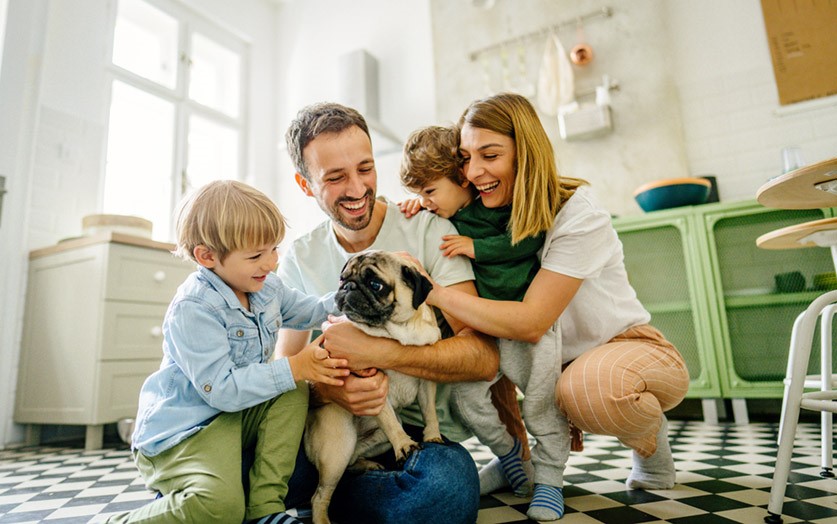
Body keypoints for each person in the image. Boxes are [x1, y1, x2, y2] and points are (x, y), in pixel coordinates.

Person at [417, 93, 691, 522]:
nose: (474, 172)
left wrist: (430, 291)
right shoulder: (484, 211)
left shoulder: (578, 215)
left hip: (624, 349)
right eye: (466, 159)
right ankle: (517, 462)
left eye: (490, 155)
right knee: (480, 373)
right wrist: (422, 202)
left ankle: (649, 439)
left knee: (587, 390)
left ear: (525, 154)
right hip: (540, 352)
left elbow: (530, 321)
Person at [277, 102, 527, 524]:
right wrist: (331, 391)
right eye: (335, 177)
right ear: (305, 184)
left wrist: (382, 354)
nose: (357, 188)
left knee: (445, 494)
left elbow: (483, 357)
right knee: (237, 461)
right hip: (336, 426)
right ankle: (351, 490)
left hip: (421, 435)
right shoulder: (299, 258)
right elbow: (285, 370)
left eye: (366, 168)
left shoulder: (431, 230)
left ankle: (332, 494)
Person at [107, 180, 349, 524]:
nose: (270, 262)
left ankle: (265, 509)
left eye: (273, 248)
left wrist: (352, 295)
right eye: (255, 255)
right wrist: (296, 366)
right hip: (185, 431)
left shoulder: (265, 286)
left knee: (291, 389)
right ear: (207, 257)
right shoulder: (194, 307)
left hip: (231, 415)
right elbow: (221, 390)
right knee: (221, 508)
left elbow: (310, 310)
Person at [398, 124, 546, 498]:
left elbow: (527, 236)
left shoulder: (490, 209)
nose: (426, 200)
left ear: (461, 178)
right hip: (482, 325)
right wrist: (420, 202)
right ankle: (511, 457)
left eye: (430, 191)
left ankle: (544, 474)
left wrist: (476, 247)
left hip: (516, 318)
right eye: (420, 193)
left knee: (531, 400)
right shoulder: (443, 214)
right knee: (484, 399)